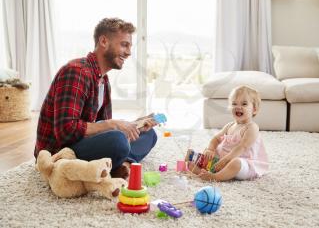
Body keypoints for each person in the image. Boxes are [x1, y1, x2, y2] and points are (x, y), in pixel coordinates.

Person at [34, 18, 158, 179]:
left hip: (81, 143)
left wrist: (135, 125)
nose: (128, 52)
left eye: (129, 46)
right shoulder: (76, 72)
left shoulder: (103, 80)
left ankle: (122, 163)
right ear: (104, 41)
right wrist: (113, 124)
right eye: (124, 44)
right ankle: (120, 162)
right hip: (60, 153)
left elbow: (100, 128)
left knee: (149, 135)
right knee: (118, 141)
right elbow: (66, 131)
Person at [188, 85, 268, 181]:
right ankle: (202, 172)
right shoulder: (229, 126)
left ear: (254, 109)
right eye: (234, 104)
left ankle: (215, 177)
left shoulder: (252, 127)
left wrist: (225, 160)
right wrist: (210, 149)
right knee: (191, 156)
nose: (238, 107)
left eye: (244, 104)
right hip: (221, 162)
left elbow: (242, 147)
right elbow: (216, 139)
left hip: (244, 164)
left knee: (236, 163)